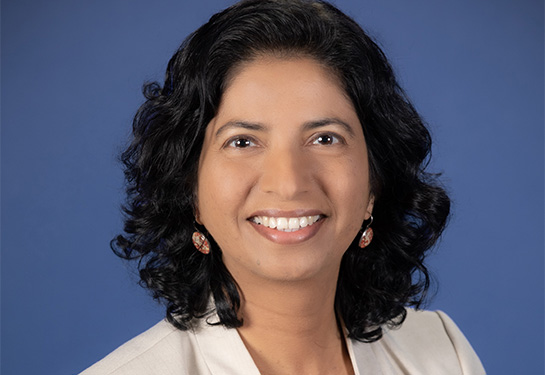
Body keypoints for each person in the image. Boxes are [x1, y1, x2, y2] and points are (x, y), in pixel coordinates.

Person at [81, 0, 485, 374]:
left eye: (325, 139)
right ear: (190, 191)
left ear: (374, 183)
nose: (289, 183)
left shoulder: (443, 354)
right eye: (242, 142)